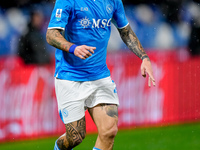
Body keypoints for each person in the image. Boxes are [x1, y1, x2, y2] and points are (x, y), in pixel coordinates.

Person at [46, 0, 155, 150]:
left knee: (109, 132)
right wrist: (73, 48)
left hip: (100, 76)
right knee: (76, 137)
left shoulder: (114, 2)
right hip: (70, 77)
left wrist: (144, 58)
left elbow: (126, 31)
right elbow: (51, 34)